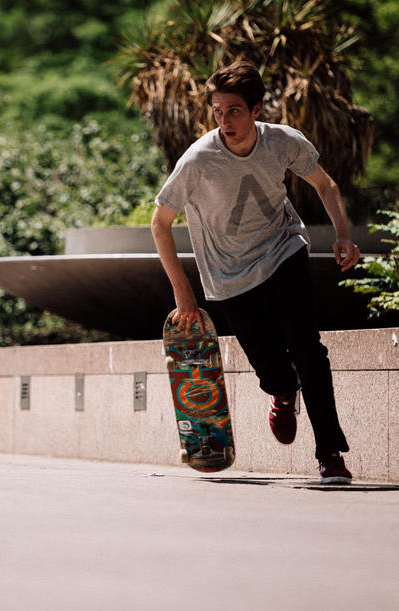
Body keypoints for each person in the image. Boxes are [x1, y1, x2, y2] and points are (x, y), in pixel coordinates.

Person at [150, 60, 360, 484]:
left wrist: (342, 234)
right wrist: (183, 293)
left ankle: (330, 453)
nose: (225, 121)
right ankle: (282, 391)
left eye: (234, 111)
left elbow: (325, 184)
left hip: (283, 250)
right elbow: (160, 223)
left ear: (256, 110)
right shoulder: (199, 159)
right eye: (218, 112)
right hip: (229, 275)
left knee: (308, 349)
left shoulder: (282, 141)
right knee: (271, 368)